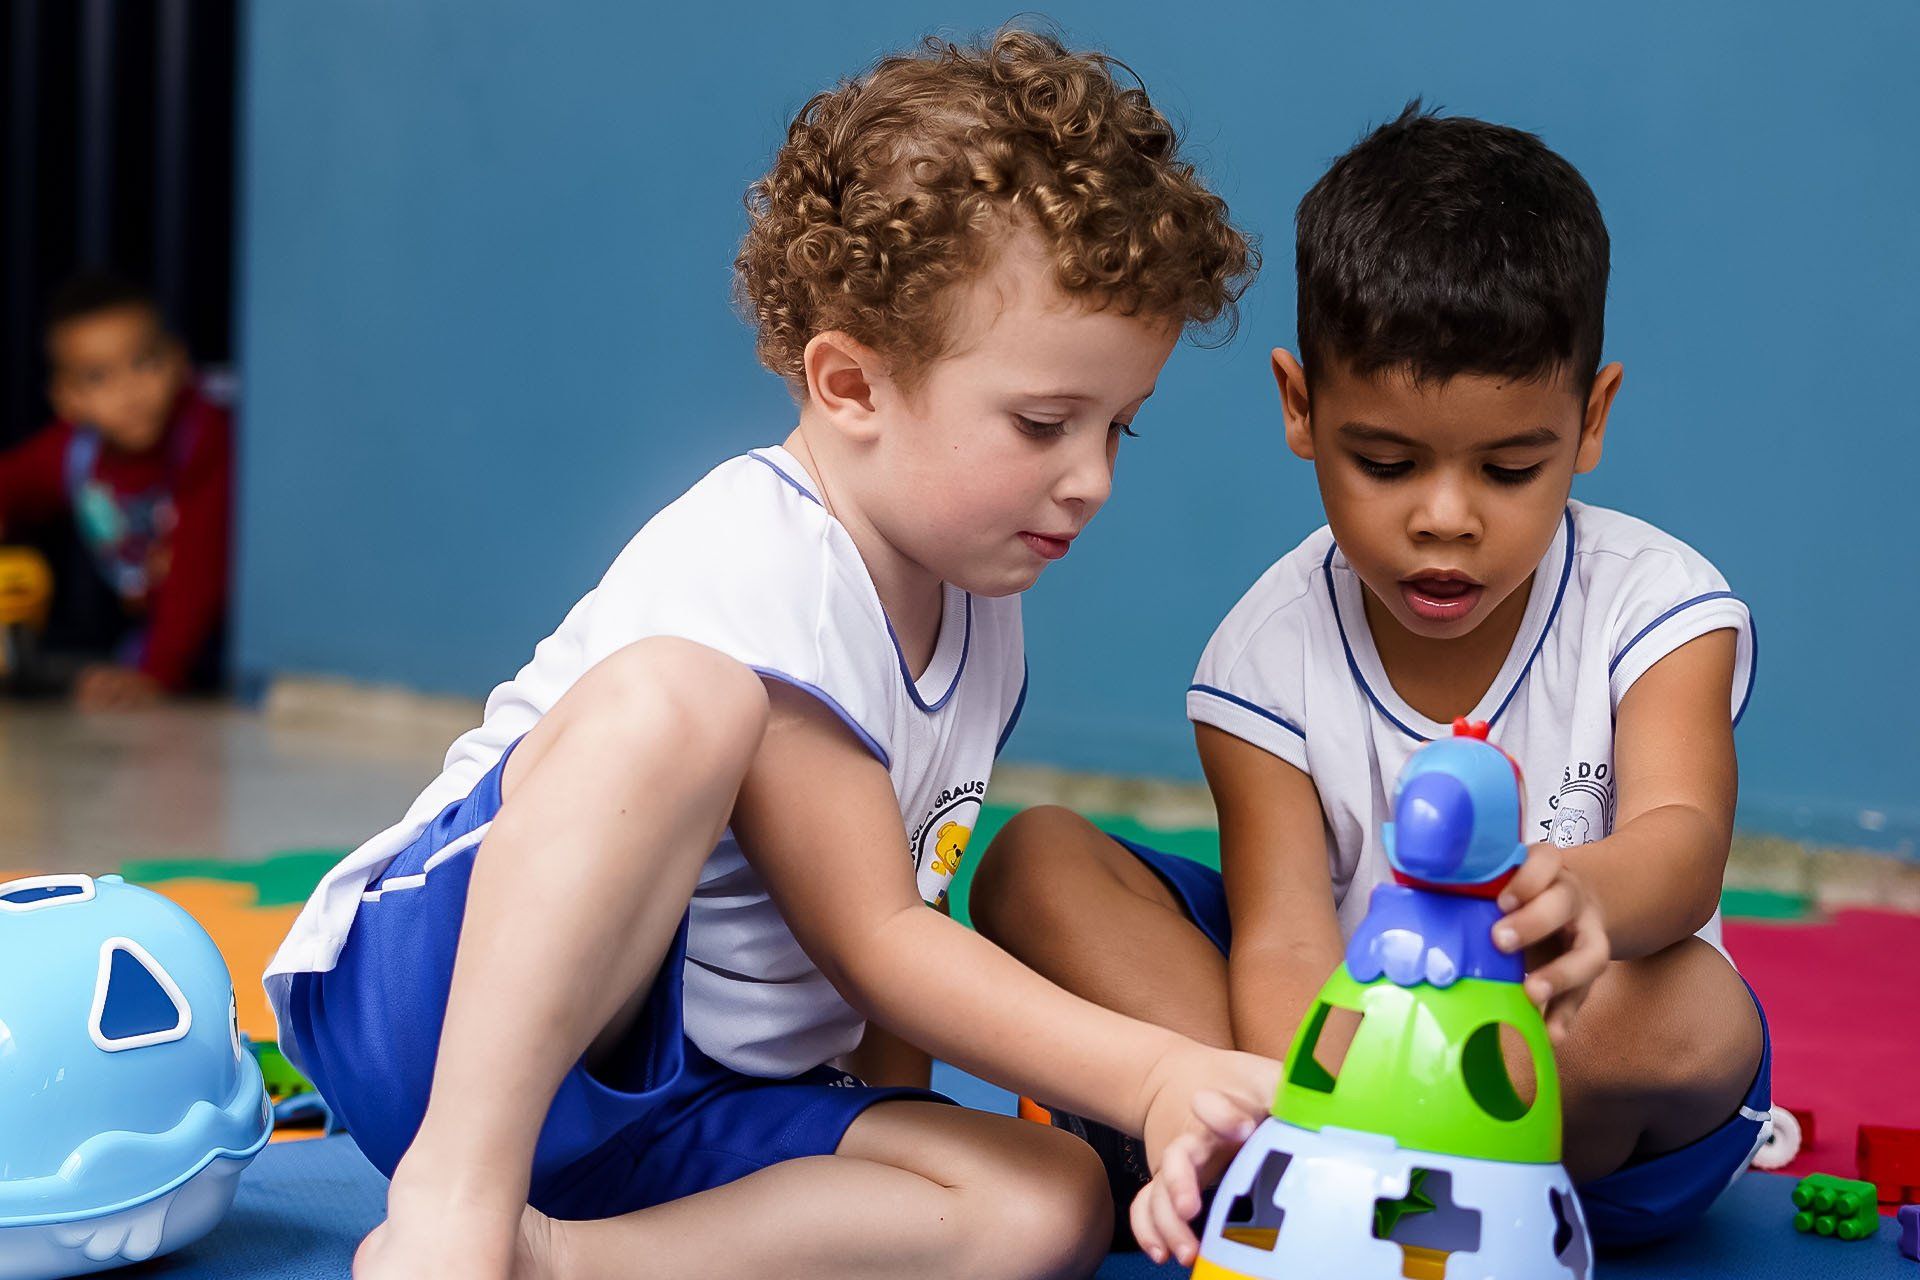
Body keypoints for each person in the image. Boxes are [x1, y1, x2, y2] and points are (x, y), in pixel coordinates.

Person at [265, 29, 1275, 1280]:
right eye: (1041, 424)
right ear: (849, 384)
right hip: (438, 1009)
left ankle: (564, 1258)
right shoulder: (764, 559)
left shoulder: (977, 596)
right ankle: (455, 1199)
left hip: (670, 1096)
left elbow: (887, 952)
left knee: (1047, 1200)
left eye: (1119, 426)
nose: (1091, 480)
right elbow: (878, 937)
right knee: (681, 698)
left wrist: (894, 1124)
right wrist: (1157, 1069)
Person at [972, 103, 1768, 1264]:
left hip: (1561, 1096)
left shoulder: (1656, 602)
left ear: (1589, 421)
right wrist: (1330, 1098)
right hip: (1333, 1066)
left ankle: (1243, 1148)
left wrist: (1586, 898)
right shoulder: (1264, 654)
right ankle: (1265, 1132)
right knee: (1035, 859)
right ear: (1301, 408)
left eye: (1509, 466)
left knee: (1696, 1010)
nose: (1444, 519)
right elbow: (1287, 940)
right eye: (1385, 462)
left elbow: (1685, 842)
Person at [0, 274, 233, 709]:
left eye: (145, 363)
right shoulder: (74, 450)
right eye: (99, 377)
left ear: (179, 361)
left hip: (221, 630)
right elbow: (12, 481)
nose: (130, 392)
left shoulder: (205, 438)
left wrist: (158, 673)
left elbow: (199, 565)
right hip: (158, 626)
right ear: (67, 398)